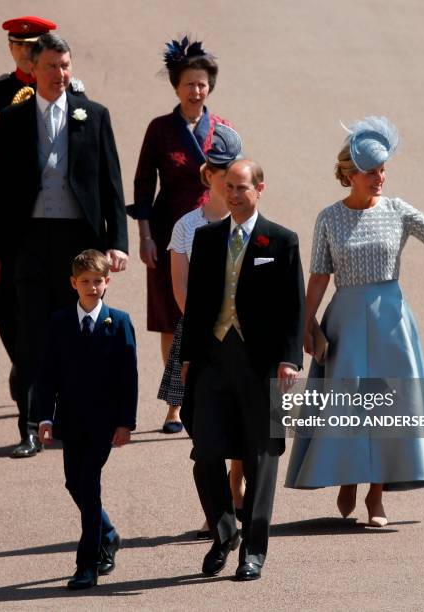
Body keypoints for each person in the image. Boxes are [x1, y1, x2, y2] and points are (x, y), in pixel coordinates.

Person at [285, 116, 424, 527]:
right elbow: (318, 278)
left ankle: (376, 496)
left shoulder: (398, 210)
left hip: (391, 321)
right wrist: (306, 326)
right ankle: (349, 475)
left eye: (383, 169)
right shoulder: (328, 217)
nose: (379, 177)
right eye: (371, 171)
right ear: (350, 174)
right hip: (345, 319)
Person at [0, 33, 128, 458]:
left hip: (79, 243)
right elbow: (2, 191)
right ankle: (29, 427)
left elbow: (111, 184)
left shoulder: (94, 116)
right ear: (34, 69)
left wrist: (116, 243)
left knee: (80, 334)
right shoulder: (12, 119)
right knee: (30, 337)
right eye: (51, 67)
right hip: (28, 242)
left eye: (65, 66)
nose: (60, 75)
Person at [180, 159, 305, 581]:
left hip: (262, 365)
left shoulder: (282, 241)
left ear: (260, 189)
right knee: (206, 453)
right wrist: (185, 359)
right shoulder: (207, 238)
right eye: (229, 187)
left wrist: (290, 359)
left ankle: (253, 548)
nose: (234, 194)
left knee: (262, 457)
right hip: (213, 361)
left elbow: (294, 308)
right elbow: (196, 306)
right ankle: (224, 531)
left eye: (243, 187)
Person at [0, 16, 86, 396]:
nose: (27, 53)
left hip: (57, 214)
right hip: (11, 207)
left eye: (35, 46)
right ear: (12, 48)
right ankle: (26, 363)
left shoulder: (71, 90)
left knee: (57, 295)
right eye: (21, 46)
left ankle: (45, 377)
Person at [128, 36, 231, 431]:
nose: (196, 89)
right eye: (189, 83)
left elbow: (240, 184)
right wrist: (144, 236)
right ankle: (176, 403)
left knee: (219, 314)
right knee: (173, 319)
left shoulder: (223, 130)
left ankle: (214, 396)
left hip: (217, 229)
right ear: (176, 86)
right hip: (170, 230)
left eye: (202, 83)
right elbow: (141, 185)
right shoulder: (159, 130)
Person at [158, 124, 246, 537]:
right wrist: (204, 334)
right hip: (199, 339)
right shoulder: (186, 227)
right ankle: (218, 506)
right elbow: (180, 288)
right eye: (220, 170)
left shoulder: (252, 226)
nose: (229, 179)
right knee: (203, 427)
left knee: (244, 424)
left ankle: (234, 493)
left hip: (243, 340)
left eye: (234, 170)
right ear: (207, 174)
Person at [36, 249, 137, 590]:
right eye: (85, 282)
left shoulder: (119, 322)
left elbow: (129, 376)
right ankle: (108, 533)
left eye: (98, 281)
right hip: (71, 420)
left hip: (105, 423)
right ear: (73, 284)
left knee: (89, 487)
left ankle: (86, 565)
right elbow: (47, 375)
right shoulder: (60, 322)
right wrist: (44, 419)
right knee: (73, 483)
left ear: (107, 282)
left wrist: (126, 422)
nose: (92, 288)